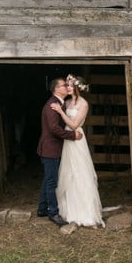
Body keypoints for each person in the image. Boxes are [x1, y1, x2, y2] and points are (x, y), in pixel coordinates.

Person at [51, 74, 105, 228]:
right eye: (66, 85)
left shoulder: (84, 104)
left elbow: (74, 125)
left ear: (76, 87)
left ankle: (85, 211)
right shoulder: (66, 102)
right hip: (67, 140)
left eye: (68, 85)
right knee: (68, 172)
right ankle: (69, 210)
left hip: (77, 139)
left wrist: (61, 113)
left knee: (80, 172)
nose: (66, 88)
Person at [37, 77, 83, 226]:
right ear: (56, 89)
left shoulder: (61, 104)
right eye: (64, 85)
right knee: (52, 182)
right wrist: (72, 136)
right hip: (50, 149)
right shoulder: (52, 105)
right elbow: (54, 129)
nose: (66, 87)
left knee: (47, 179)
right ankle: (53, 213)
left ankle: (42, 208)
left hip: (52, 148)